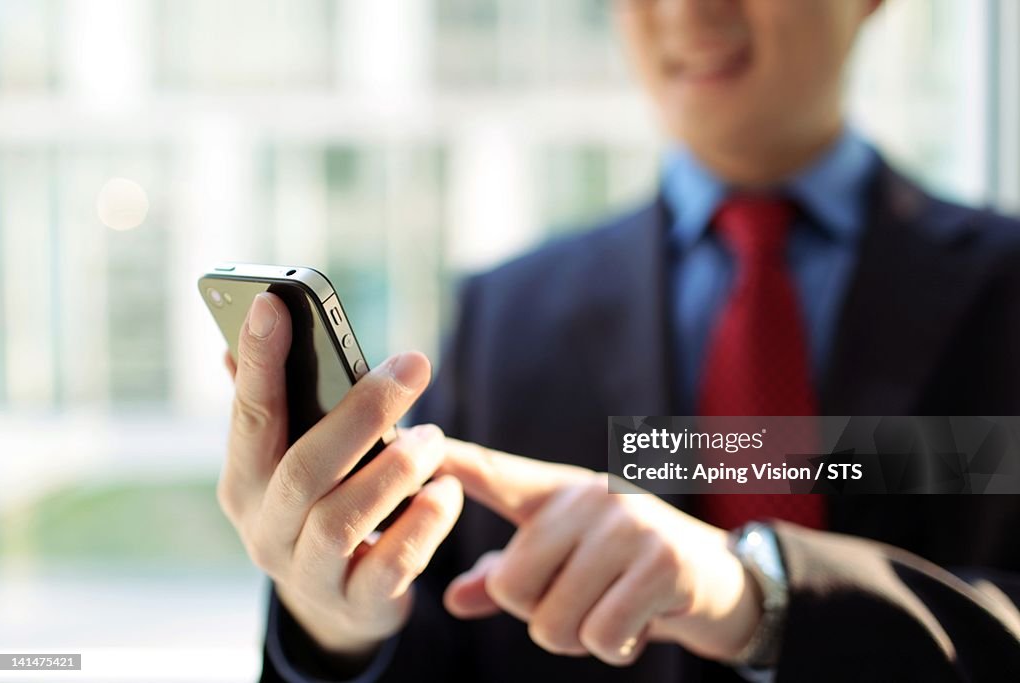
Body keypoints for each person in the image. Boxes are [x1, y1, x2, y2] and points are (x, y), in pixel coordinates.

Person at [216, 0, 1020, 680]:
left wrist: (755, 591)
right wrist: (335, 623)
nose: (683, 13)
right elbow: (453, 642)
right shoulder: (508, 313)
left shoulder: (1006, 287)